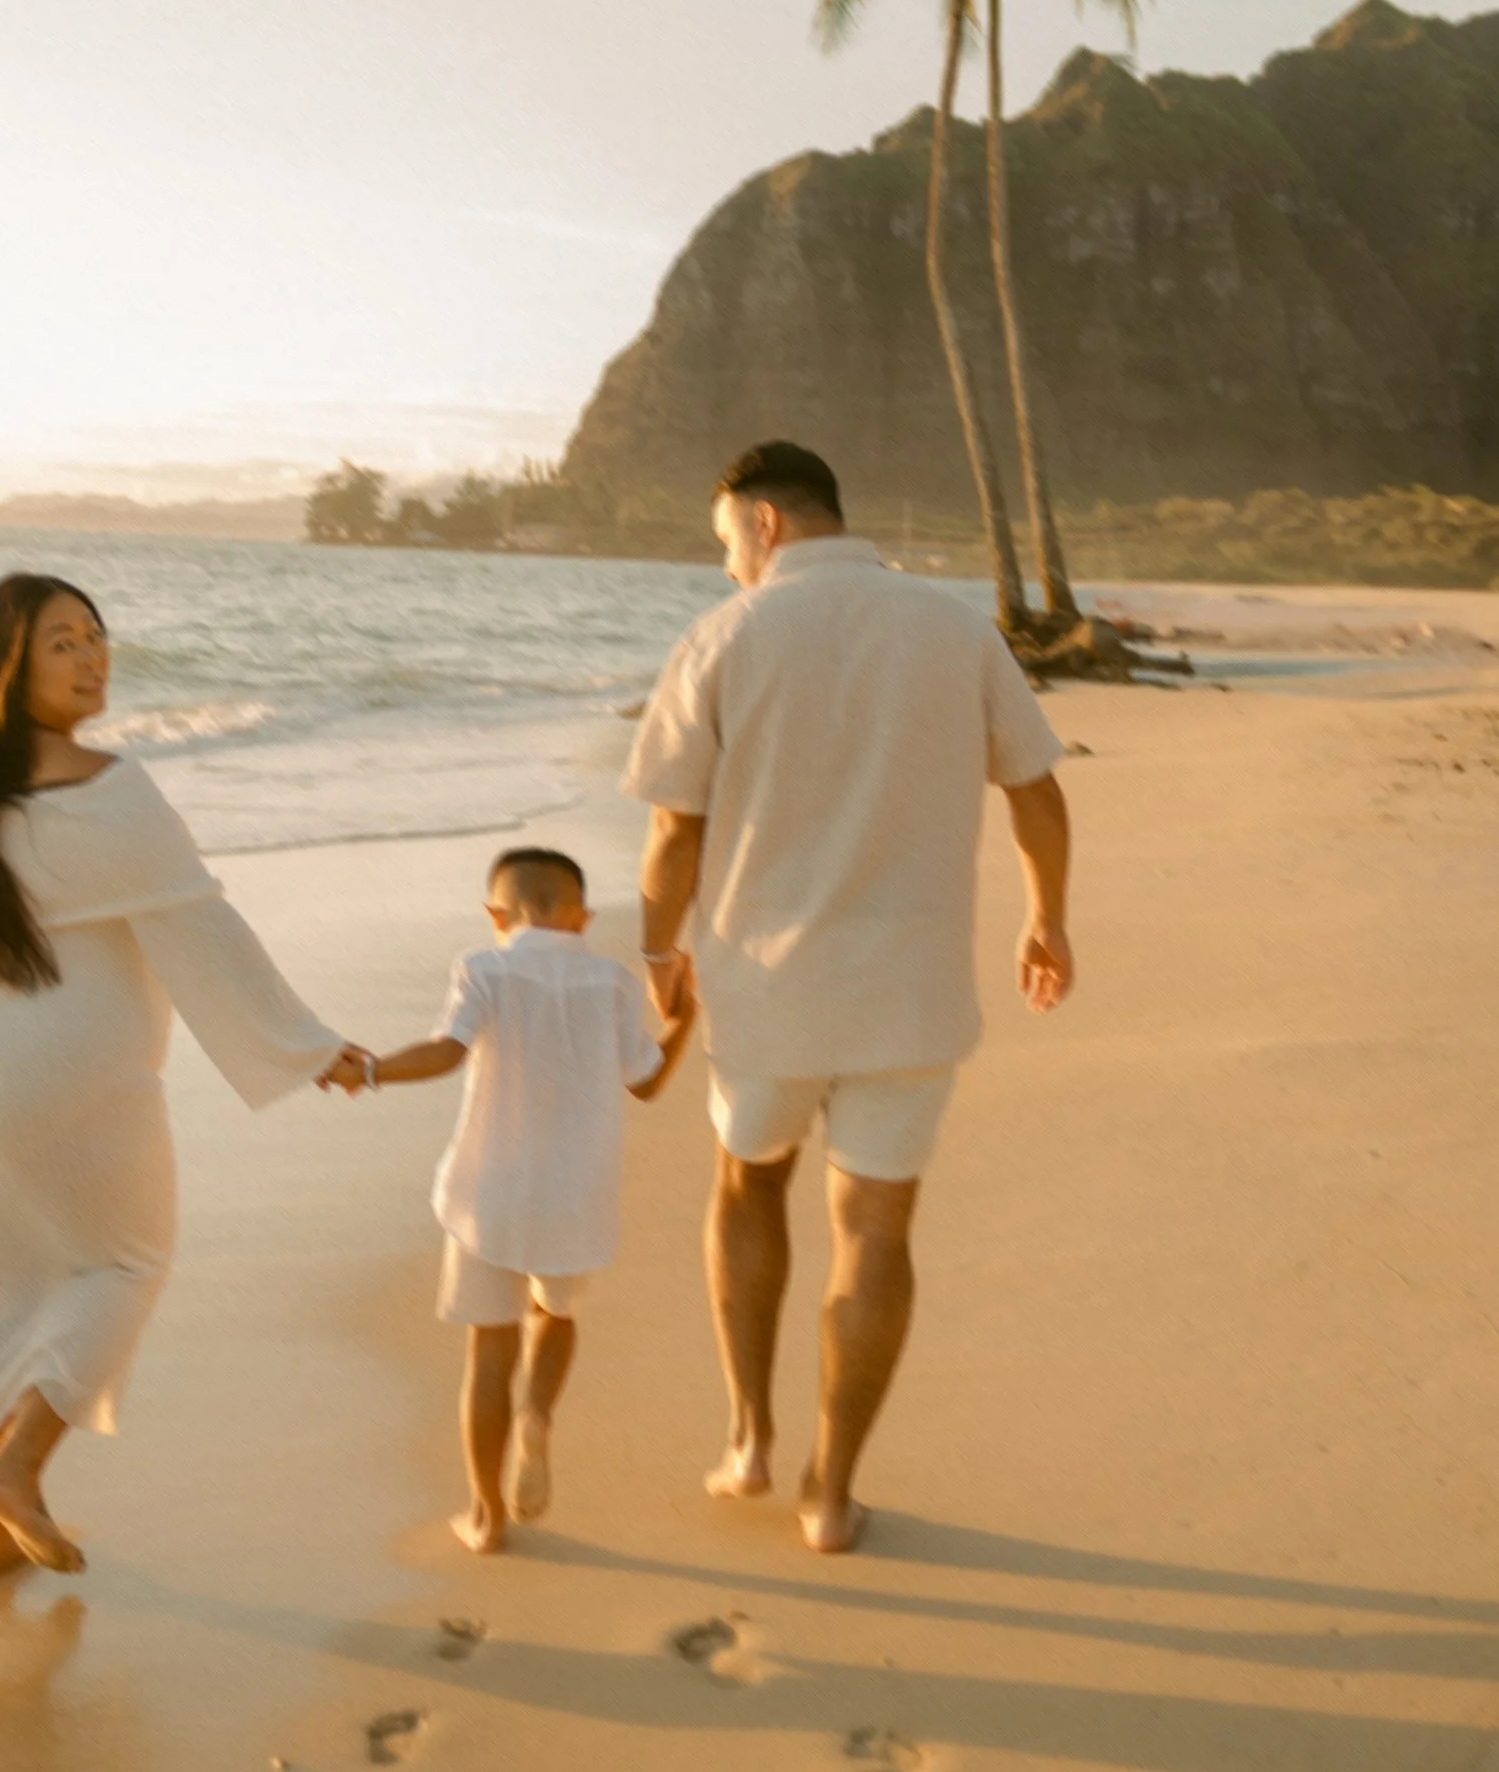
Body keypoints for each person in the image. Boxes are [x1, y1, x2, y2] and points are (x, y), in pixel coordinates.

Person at [625, 440, 1072, 1555]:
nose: (725, 560)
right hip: (910, 991)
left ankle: (747, 1437)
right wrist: (1046, 918)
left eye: (725, 535)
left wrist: (656, 955)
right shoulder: (954, 627)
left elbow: (673, 828)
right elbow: (1034, 787)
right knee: (873, 1229)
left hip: (765, 988)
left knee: (746, 1186)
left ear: (766, 521)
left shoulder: (722, 636)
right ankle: (830, 1490)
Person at [0, 573, 370, 1584]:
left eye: (97, 637)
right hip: (54, 1069)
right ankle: (14, 1471)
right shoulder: (109, 784)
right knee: (124, 1262)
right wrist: (305, 1045)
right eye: (62, 641)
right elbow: (199, 920)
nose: (92, 656)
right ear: (6, 663)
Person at [358, 843, 693, 1555]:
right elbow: (646, 1080)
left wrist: (371, 1069)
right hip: (576, 1193)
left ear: (494, 914)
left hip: (491, 1191)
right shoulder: (611, 981)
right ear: (582, 916)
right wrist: (684, 1018)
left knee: (489, 1350)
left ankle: (485, 1514)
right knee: (556, 1312)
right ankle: (537, 1413)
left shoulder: (483, 966)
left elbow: (445, 1051)